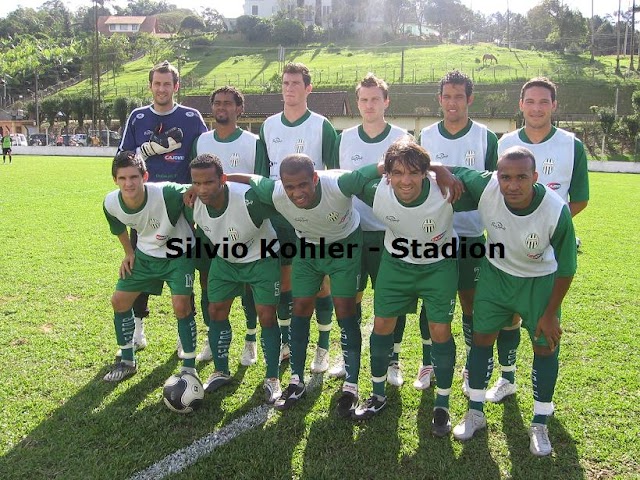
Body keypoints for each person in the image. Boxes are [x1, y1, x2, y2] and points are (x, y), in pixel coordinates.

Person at [227, 154, 380, 418]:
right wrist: (223, 178)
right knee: (300, 307)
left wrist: (438, 171)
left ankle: (351, 385)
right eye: (290, 187)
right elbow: (252, 179)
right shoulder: (275, 191)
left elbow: (378, 167)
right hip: (308, 247)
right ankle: (296, 381)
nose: (297, 192)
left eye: (303, 185)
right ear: (282, 184)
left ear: (315, 178)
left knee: (345, 309)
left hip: (344, 246)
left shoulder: (339, 184)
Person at [451, 146, 577, 457]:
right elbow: (451, 169)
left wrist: (551, 314)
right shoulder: (487, 187)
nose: (513, 185)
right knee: (481, 341)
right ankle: (475, 412)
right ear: (497, 177)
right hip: (497, 276)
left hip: (539, 282)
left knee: (544, 346)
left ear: (536, 177)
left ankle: (539, 422)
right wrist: (440, 171)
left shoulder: (554, 209)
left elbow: (567, 268)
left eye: (522, 177)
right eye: (505, 177)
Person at [350, 138, 464, 437]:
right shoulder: (377, 191)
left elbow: (488, 181)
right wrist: (384, 165)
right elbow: (354, 179)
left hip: (438, 268)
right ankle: (377, 394)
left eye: (414, 173)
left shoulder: (445, 190)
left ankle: (442, 404)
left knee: (440, 330)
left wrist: (441, 169)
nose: (406, 180)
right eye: (397, 172)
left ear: (425, 174)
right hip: (396, 266)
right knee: (382, 324)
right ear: (387, 174)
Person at [486, 77, 589, 404]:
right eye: (530, 101)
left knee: (544, 323)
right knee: (507, 318)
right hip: (506, 245)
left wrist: (546, 228)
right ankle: (507, 378)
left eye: (544, 102)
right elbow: (495, 190)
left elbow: (581, 198)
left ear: (554, 105)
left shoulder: (572, 145)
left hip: (549, 250)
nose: (536, 108)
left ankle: (543, 403)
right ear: (521, 105)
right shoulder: (504, 142)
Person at [117, 60, 207, 357]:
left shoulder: (191, 117)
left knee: (183, 270)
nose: (162, 88)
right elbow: (123, 156)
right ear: (150, 86)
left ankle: (185, 337)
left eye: (167, 83)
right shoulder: (138, 116)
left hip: (180, 205)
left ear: (176, 87)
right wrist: (147, 151)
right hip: (142, 207)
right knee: (139, 265)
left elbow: (205, 156)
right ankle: (139, 327)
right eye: (157, 83)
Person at [419, 70, 498, 394]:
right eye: (447, 96)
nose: (452, 102)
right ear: (440, 99)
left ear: (469, 99)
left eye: (458, 96)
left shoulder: (486, 137)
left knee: (470, 301)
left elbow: (495, 187)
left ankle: (468, 365)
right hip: (432, 235)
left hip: (469, 235)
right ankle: (429, 363)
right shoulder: (424, 136)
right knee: (431, 301)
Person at [259, 62, 338, 369]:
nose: (289, 88)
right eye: (285, 83)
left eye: (295, 83)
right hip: (279, 218)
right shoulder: (268, 126)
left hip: (315, 217)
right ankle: (287, 343)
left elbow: (333, 175)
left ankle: (323, 345)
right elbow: (261, 176)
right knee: (285, 280)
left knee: (321, 282)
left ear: (308, 88)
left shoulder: (322, 126)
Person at [186, 153, 282, 403]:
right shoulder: (190, 200)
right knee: (216, 310)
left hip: (262, 257)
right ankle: (221, 370)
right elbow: (158, 192)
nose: (202, 189)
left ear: (223, 179)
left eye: (209, 182)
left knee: (267, 315)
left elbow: (280, 195)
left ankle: (272, 377)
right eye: (197, 183)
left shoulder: (249, 199)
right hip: (225, 261)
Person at [332, 73, 407, 384]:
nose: (369, 104)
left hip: (391, 232)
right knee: (351, 296)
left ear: (386, 101)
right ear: (357, 103)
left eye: (375, 98)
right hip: (353, 231)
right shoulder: (345, 138)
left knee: (392, 298)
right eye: (363, 99)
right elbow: (337, 183)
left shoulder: (402, 137)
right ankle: (347, 352)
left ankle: (393, 358)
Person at [102, 151, 198, 383]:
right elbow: (117, 227)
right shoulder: (110, 203)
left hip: (179, 253)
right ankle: (127, 361)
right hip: (145, 254)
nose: (129, 183)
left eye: (134, 177)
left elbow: (196, 189)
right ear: (115, 180)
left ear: (145, 176)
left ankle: (188, 367)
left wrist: (191, 193)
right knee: (119, 301)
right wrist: (128, 252)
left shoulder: (165, 192)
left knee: (181, 306)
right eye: (122, 178)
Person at [191, 86, 269, 365]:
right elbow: (194, 181)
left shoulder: (254, 141)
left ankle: (250, 339)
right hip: (209, 228)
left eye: (227, 103)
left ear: (239, 109)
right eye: (216, 103)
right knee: (207, 284)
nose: (221, 107)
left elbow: (259, 183)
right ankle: (213, 337)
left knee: (248, 284)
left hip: (244, 227)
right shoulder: (201, 141)